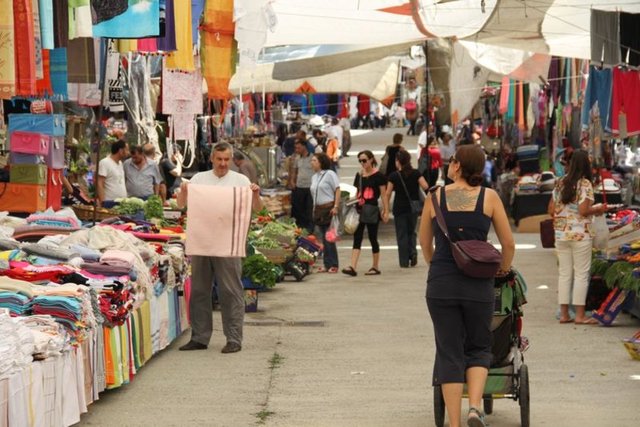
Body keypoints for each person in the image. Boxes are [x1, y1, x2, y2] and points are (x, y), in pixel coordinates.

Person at [419, 144, 515, 427]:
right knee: (478, 346)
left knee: (449, 351)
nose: (449, 164)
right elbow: (508, 244)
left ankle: (455, 422)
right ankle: (475, 408)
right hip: (478, 284)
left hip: (441, 285)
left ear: (458, 166)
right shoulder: (490, 197)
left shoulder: (434, 198)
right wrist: (503, 269)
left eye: (451, 161)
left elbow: (425, 243)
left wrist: (437, 267)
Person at [176, 142, 262, 353]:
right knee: (199, 290)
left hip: (228, 243)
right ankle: (200, 337)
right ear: (212, 159)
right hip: (203, 241)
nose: (223, 164)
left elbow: (258, 209)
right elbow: (180, 205)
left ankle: (234, 338)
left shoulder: (241, 180)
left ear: (231, 159)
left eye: (226, 160)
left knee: (231, 290)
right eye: (219, 159)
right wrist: (184, 191)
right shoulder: (199, 179)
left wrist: (256, 194)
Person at [547, 150, 607, 325]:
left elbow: (551, 210)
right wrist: (598, 209)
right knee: (581, 274)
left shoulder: (560, 182)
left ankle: (564, 314)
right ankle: (580, 316)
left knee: (564, 274)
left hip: (561, 234)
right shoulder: (585, 184)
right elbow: (583, 211)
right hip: (580, 234)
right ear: (586, 165)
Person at [342, 150, 388, 277]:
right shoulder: (359, 175)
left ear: (371, 159)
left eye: (364, 160)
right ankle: (352, 266)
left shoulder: (379, 176)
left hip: (372, 209)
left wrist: (386, 211)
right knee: (357, 237)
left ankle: (375, 266)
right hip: (359, 210)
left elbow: (383, 195)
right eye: (360, 161)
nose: (362, 163)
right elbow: (357, 192)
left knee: (373, 238)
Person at [383, 150, 428, 268]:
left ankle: (403, 261)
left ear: (398, 161)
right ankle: (413, 253)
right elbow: (425, 186)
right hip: (413, 208)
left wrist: (386, 209)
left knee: (401, 234)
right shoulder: (416, 173)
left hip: (399, 208)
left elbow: (387, 194)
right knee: (411, 232)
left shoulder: (394, 176)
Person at [310, 153, 341, 273]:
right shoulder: (314, 177)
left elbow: (337, 189)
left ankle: (333, 264)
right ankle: (327, 264)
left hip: (328, 209)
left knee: (329, 238)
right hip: (318, 210)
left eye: (314, 160)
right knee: (323, 237)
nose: (312, 163)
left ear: (321, 162)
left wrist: (336, 206)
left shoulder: (330, 174)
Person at [288, 139, 314, 233]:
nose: (297, 149)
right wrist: (292, 181)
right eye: (296, 148)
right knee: (299, 208)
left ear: (304, 147)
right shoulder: (296, 158)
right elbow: (294, 171)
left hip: (310, 187)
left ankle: (309, 228)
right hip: (299, 187)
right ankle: (300, 227)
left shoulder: (312, 158)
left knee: (309, 208)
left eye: (298, 147)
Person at [96, 139, 129, 208]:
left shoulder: (120, 163)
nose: (128, 153)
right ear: (120, 151)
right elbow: (100, 183)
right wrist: (103, 202)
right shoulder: (105, 162)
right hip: (110, 203)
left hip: (121, 203)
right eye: (126, 150)